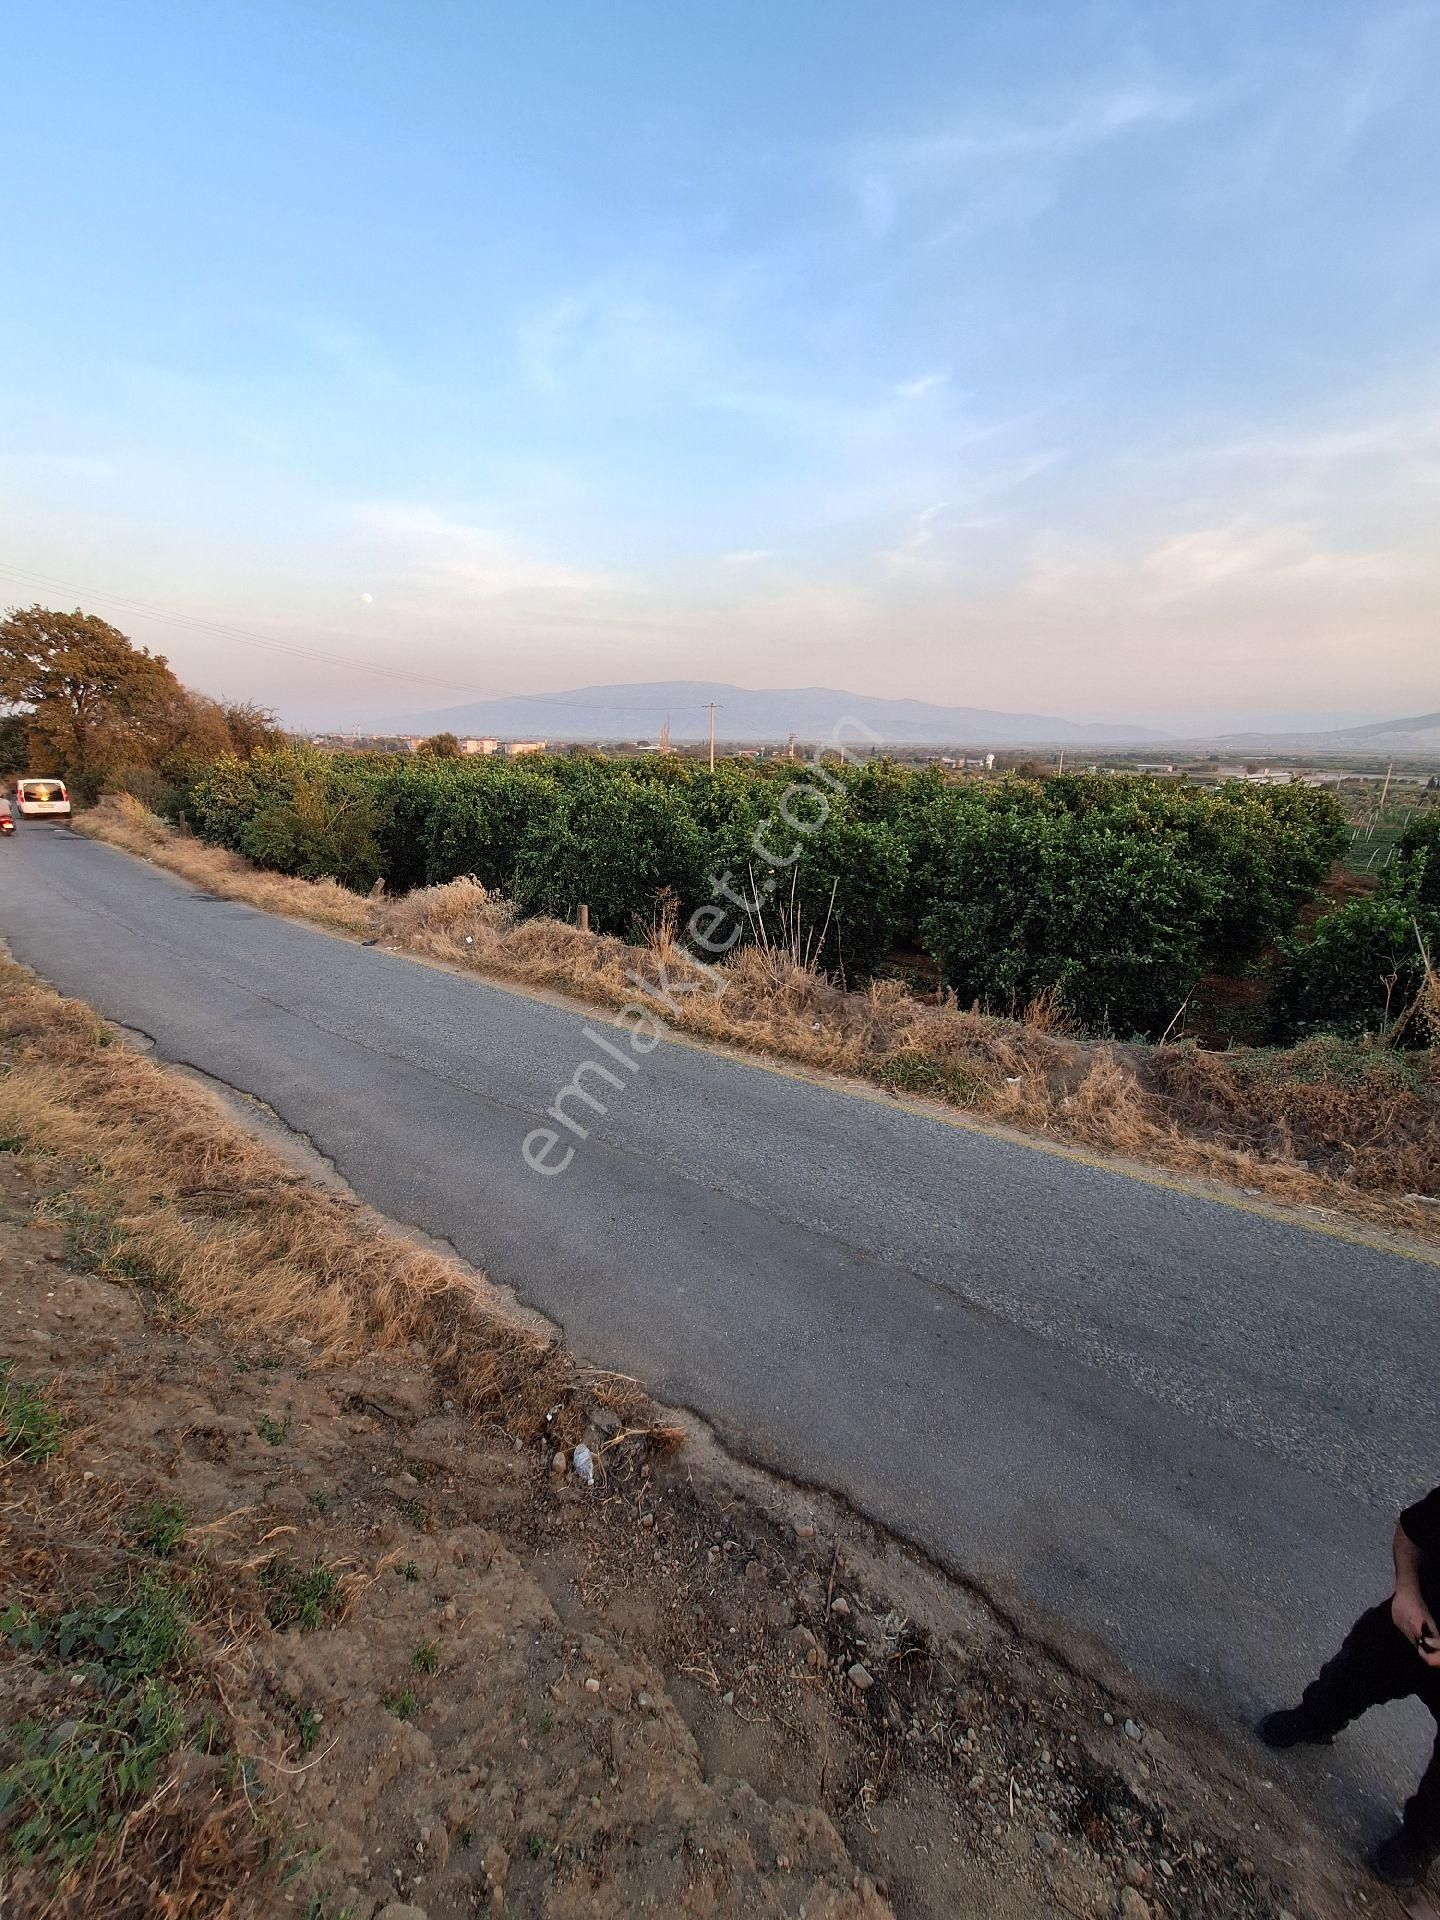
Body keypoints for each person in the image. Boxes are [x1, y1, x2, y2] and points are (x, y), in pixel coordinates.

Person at [1259, 1484, 1440, 1887]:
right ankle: (1316, 1721)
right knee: (1352, 1669)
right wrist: (1407, 1594)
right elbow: (1410, 1532)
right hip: (1414, 1625)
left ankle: (1419, 1843)